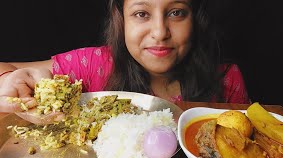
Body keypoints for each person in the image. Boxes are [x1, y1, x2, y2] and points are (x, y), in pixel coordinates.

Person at [0, 0, 250, 123]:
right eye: (141, 14)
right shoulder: (91, 64)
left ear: (195, 19)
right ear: (121, 20)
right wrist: (9, 81)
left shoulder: (227, 79)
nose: (160, 32)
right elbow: (6, 70)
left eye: (176, 13)